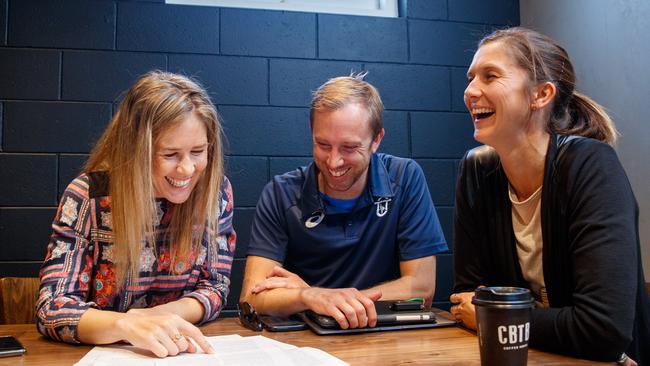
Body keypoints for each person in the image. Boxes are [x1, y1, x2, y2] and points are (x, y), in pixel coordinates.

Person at [450, 27, 650, 365]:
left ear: (540, 95)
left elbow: (602, 329)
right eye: (471, 78)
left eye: (490, 76)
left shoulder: (590, 165)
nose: (470, 91)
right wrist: (493, 315)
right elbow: (466, 300)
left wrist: (494, 318)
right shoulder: (476, 170)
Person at [36, 71, 236, 358]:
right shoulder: (87, 197)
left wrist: (162, 316)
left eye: (198, 151)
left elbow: (215, 286)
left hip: (181, 352)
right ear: (136, 151)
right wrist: (127, 325)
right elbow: (52, 308)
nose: (187, 170)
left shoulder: (216, 193)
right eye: (170, 155)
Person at [239, 73, 448, 330]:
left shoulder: (405, 177)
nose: (334, 161)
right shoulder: (280, 193)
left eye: (349, 148)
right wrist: (309, 296)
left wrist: (323, 295)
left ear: (376, 140)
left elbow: (421, 288)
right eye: (323, 144)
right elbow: (252, 297)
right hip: (305, 342)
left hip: (382, 336)